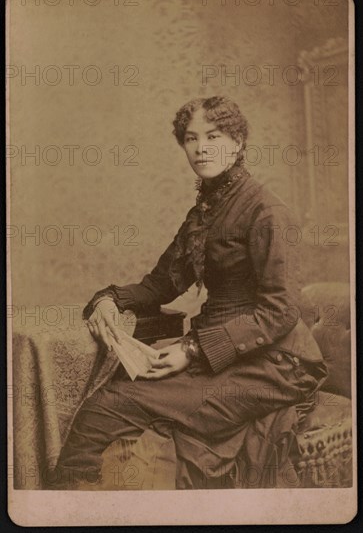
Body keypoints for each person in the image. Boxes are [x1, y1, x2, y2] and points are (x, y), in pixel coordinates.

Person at [50, 96, 328, 490]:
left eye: (213, 136)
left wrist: (192, 350)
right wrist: (111, 298)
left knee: (108, 406)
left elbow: (281, 312)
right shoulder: (206, 211)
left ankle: (72, 510)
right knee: (107, 406)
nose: (201, 148)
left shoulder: (266, 211)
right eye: (191, 138)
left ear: (237, 142)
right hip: (220, 353)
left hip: (276, 364)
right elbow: (161, 283)